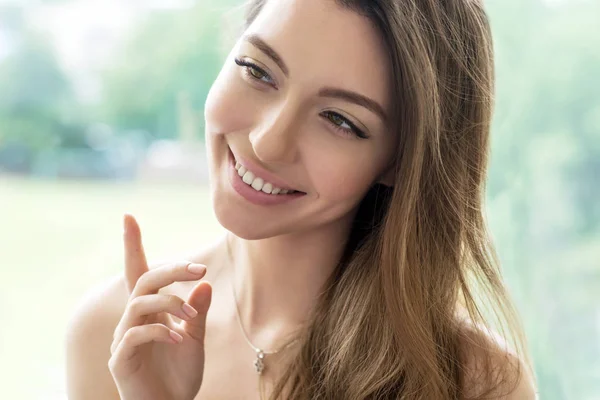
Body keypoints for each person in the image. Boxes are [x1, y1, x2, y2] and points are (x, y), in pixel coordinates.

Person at [65, 0, 538, 398]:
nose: (268, 142)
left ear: (401, 160)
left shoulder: (475, 382)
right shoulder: (115, 336)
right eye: (257, 70)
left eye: (339, 120)